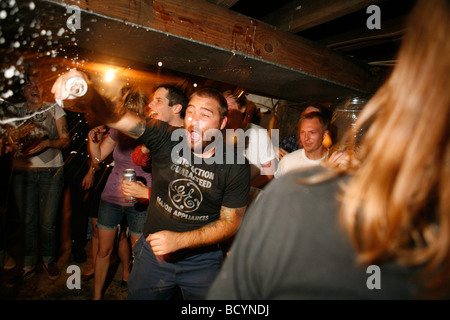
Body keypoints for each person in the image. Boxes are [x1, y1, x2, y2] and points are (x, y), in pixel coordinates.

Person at [207, 0, 450, 300]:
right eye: (301, 133)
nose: (306, 137)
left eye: (312, 132)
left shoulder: (294, 162)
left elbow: (270, 177)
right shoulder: (289, 170)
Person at [52, 77, 250, 300]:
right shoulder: (167, 137)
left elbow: (230, 222)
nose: (194, 121)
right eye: (191, 112)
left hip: (202, 261)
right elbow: (116, 116)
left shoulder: (235, 164)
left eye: (205, 115)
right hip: (153, 255)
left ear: (222, 123)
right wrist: (87, 92)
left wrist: (179, 240)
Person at [88, 88, 151, 300]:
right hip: (111, 199)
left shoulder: (152, 135)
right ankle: (97, 296)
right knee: (103, 251)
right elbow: (98, 159)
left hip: (139, 202)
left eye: (137, 112)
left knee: (139, 256)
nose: (133, 116)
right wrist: (92, 140)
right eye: (129, 111)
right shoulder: (117, 132)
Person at [8, 74, 70, 282]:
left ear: (44, 89)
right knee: (27, 221)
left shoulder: (53, 108)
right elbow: (7, 139)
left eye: (37, 84)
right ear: (23, 90)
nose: (34, 88)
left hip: (51, 170)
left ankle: (48, 259)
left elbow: (65, 140)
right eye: (29, 85)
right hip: (23, 173)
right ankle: (28, 264)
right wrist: (11, 146)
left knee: (48, 222)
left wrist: (48, 144)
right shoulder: (14, 111)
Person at [121, 84, 188, 203]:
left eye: (158, 101)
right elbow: (138, 159)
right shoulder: (160, 132)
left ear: (176, 108)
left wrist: (145, 192)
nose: (150, 105)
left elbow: (185, 193)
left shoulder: (190, 140)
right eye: (152, 100)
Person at [223, 90, 276, 189]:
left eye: (229, 105)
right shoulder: (216, 132)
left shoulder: (259, 134)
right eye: (223, 106)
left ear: (242, 109)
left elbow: (269, 172)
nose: (226, 110)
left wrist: (244, 188)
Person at [274, 111, 330, 178]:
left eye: (312, 132)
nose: (306, 138)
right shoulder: (287, 162)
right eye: (302, 132)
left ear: (324, 134)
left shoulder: (337, 163)